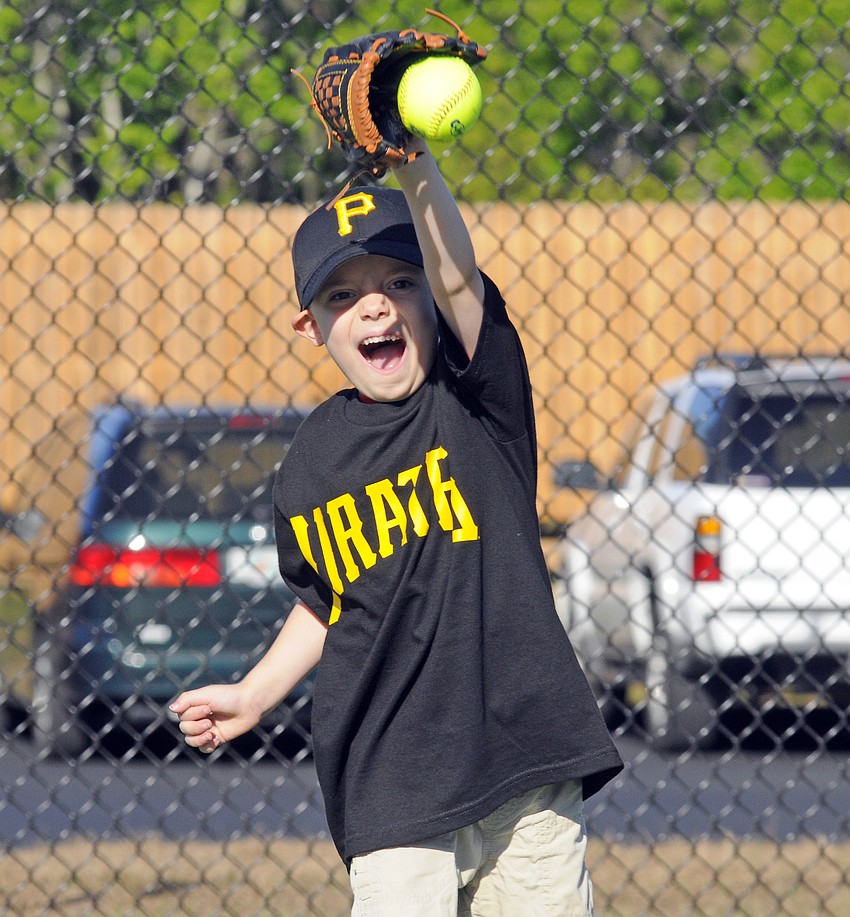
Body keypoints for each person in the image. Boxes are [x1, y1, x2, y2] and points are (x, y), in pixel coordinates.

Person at [170, 135, 623, 916]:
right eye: (342, 296)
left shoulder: (477, 398)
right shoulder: (312, 459)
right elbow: (327, 597)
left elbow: (458, 271)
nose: (375, 304)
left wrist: (413, 165)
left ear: (431, 302)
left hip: (525, 757)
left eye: (398, 281)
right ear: (309, 325)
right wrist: (256, 691)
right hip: (392, 773)